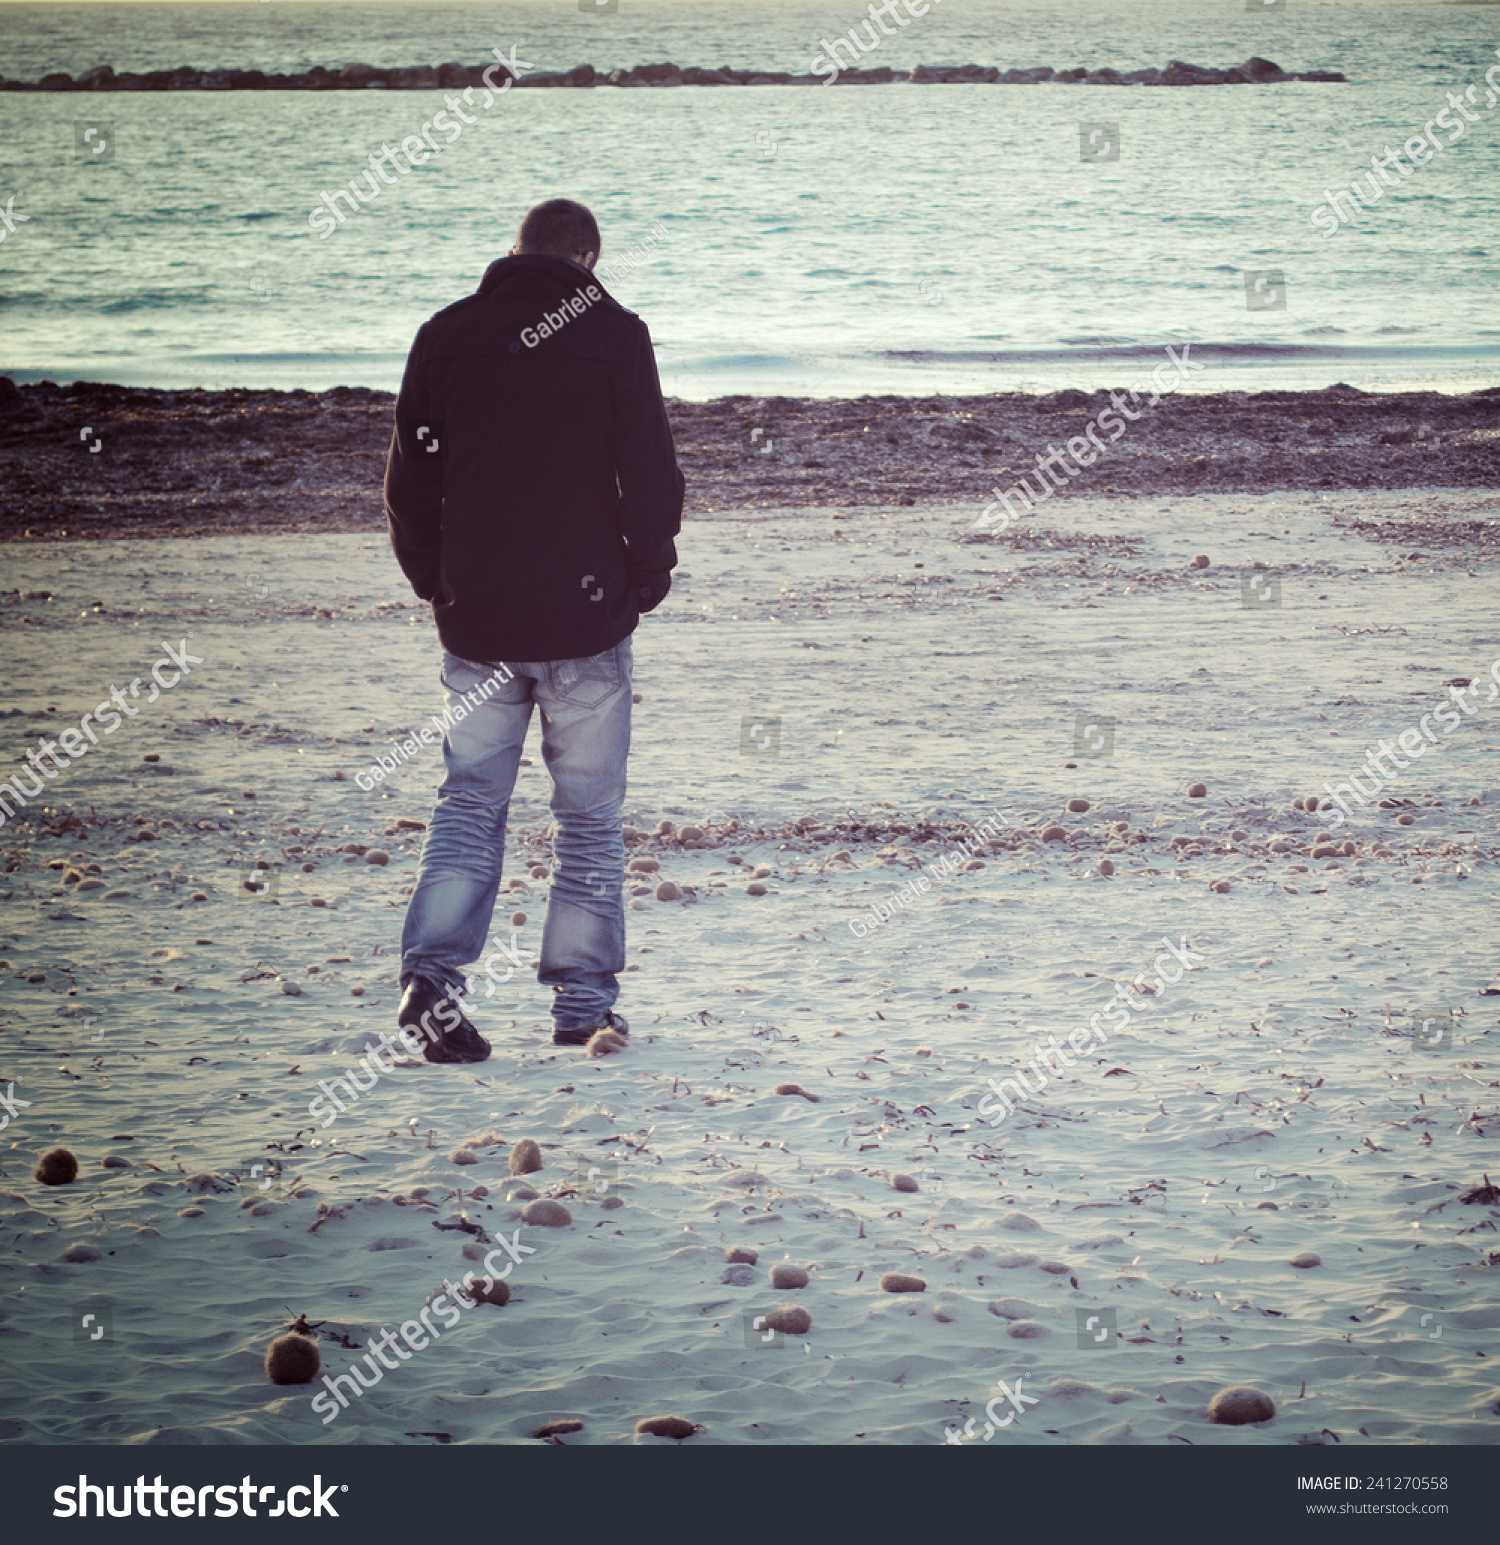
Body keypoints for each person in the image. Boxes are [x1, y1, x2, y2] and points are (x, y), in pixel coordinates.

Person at [383, 197, 683, 1060]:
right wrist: (648, 569)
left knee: (470, 803)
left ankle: (431, 983)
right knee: (588, 816)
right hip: (586, 620)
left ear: (512, 252)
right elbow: (651, 473)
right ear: (586, 259)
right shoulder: (617, 334)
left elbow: (411, 479)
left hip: (477, 618)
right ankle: (583, 1008)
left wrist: (435, 580)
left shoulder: (445, 333)